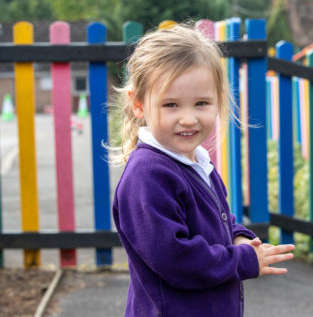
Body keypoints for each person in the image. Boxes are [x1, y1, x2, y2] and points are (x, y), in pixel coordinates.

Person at [111, 24, 295, 317]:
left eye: (201, 103)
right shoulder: (148, 174)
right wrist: (242, 260)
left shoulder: (194, 160)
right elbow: (175, 259)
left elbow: (214, 223)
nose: (188, 118)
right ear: (138, 105)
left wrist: (239, 237)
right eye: (171, 105)